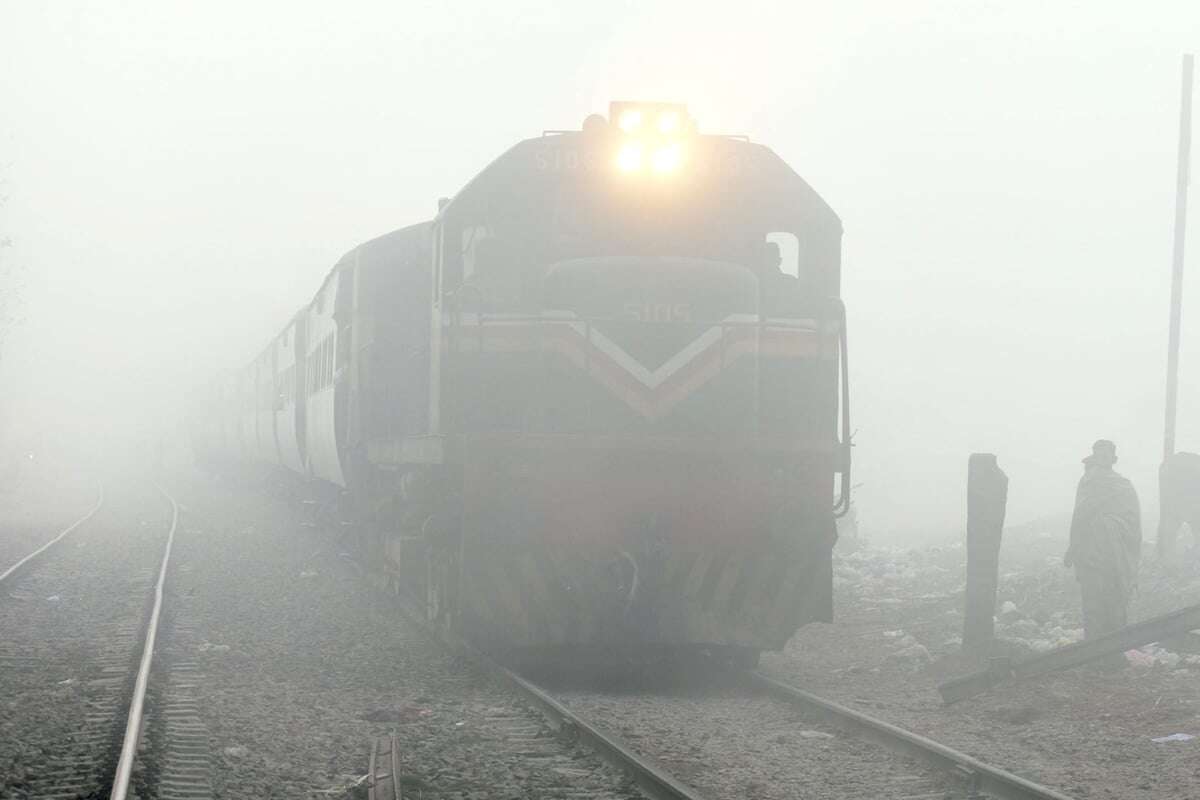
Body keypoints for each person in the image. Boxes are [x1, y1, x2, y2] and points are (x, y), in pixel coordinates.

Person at [1065, 440, 1142, 644]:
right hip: (1090, 553)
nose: (1100, 462)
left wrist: (1110, 528)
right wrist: (1073, 547)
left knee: (1114, 599)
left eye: (1105, 456)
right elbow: (1079, 516)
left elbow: (1133, 522)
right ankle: (1095, 652)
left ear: (1112, 459)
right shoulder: (1088, 482)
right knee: (1093, 601)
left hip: (1115, 555)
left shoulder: (1122, 485)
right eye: (1097, 457)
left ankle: (1113, 651)